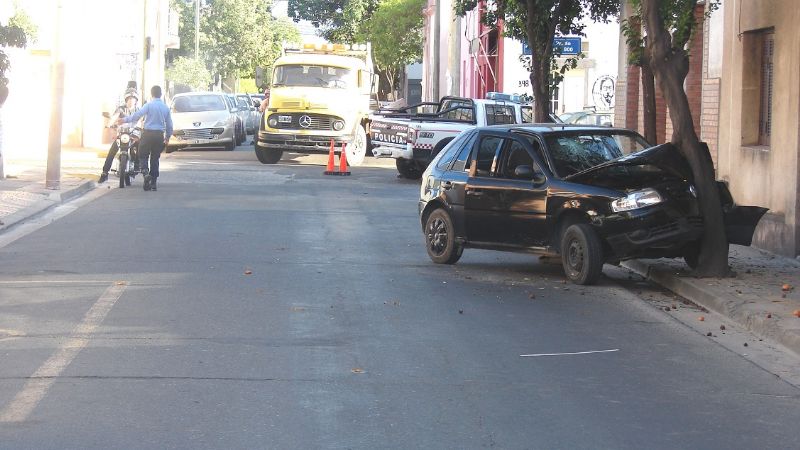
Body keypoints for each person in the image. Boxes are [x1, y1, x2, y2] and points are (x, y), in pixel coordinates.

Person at [117, 85, 173, 192]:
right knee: (155, 158)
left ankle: (145, 173)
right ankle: (153, 183)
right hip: (159, 135)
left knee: (142, 155)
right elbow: (169, 125)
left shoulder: (148, 105)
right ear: (161, 95)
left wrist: (124, 120)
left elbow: (137, 116)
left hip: (147, 133)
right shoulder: (165, 108)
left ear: (151, 94)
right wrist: (167, 137)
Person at [98, 88, 140, 183]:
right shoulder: (121, 109)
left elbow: (142, 119)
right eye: (129, 99)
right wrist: (109, 124)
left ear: (136, 100)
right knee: (112, 151)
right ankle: (104, 173)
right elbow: (114, 117)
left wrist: (143, 126)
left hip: (133, 133)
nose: (131, 101)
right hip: (122, 134)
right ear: (126, 99)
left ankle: (138, 165)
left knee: (140, 146)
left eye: (133, 99)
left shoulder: (138, 110)